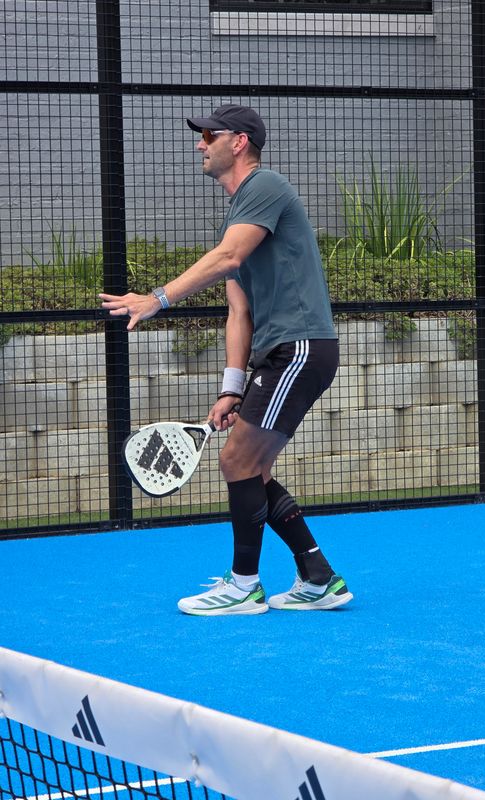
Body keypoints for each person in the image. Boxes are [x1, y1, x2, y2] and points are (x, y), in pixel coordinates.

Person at [100, 104, 352, 615]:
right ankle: (318, 577)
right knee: (252, 470)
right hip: (279, 352)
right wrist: (231, 388)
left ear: (238, 142)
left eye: (209, 135)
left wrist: (157, 299)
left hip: (299, 346)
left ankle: (243, 587)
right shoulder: (238, 214)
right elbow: (239, 311)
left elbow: (228, 258)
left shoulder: (265, 186)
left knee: (237, 460)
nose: (201, 144)